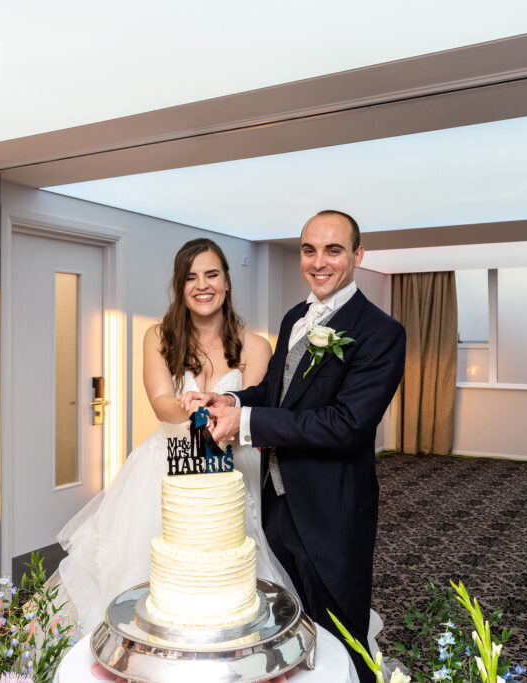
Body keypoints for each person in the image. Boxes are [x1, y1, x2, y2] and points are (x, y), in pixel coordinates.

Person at [182, 210, 405, 683]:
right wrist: (231, 399)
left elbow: (346, 425)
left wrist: (245, 421)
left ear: (358, 255)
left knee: (342, 639)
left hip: (332, 514)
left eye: (333, 250)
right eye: (309, 250)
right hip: (276, 507)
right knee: (285, 635)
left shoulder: (382, 333)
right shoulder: (294, 318)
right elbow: (276, 397)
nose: (318, 262)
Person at [48, 237, 295, 634]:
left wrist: (221, 415)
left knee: (223, 578)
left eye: (212, 274)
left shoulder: (255, 344)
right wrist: (191, 408)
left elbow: (253, 405)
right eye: (191, 277)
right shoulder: (159, 337)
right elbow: (161, 401)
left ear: (227, 282)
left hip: (231, 464)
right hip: (165, 462)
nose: (203, 285)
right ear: (180, 286)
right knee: (151, 579)